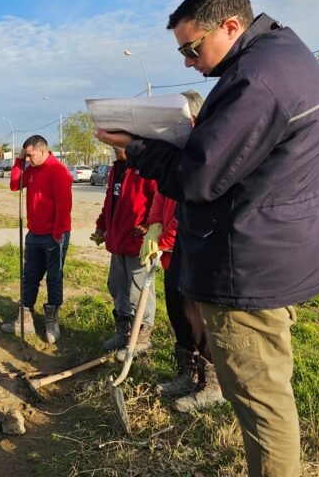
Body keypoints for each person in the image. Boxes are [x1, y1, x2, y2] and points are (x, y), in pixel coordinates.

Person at [96, 0, 319, 476]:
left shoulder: (256, 81)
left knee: (262, 406)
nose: (187, 62)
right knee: (267, 394)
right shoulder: (284, 57)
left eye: (192, 48)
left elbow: (198, 177)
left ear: (231, 26)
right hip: (274, 252)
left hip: (249, 268)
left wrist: (135, 148)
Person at [139, 91, 224, 412]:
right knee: (178, 314)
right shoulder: (176, 154)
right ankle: (187, 374)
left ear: (195, 118)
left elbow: (191, 209)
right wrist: (152, 227)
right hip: (173, 255)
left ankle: (212, 385)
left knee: (197, 318)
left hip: (197, 251)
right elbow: (163, 196)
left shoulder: (204, 154)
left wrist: (164, 238)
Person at [0, 135, 72, 344]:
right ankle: (26, 320)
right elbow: (15, 184)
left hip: (54, 235)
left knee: (53, 278)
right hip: (34, 234)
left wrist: (57, 235)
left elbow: (63, 205)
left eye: (31, 155)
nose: (29, 159)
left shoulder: (58, 171)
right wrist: (19, 161)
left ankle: (51, 320)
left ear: (43, 151)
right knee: (29, 276)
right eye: (27, 156)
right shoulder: (31, 168)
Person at [90, 147, 157, 360]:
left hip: (138, 244)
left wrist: (150, 225)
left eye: (118, 145)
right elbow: (110, 203)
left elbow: (160, 201)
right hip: (117, 242)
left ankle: (142, 338)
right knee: (117, 286)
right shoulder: (116, 169)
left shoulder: (148, 168)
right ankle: (124, 333)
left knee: (139, 291)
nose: (114, 149)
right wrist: (102, 226)